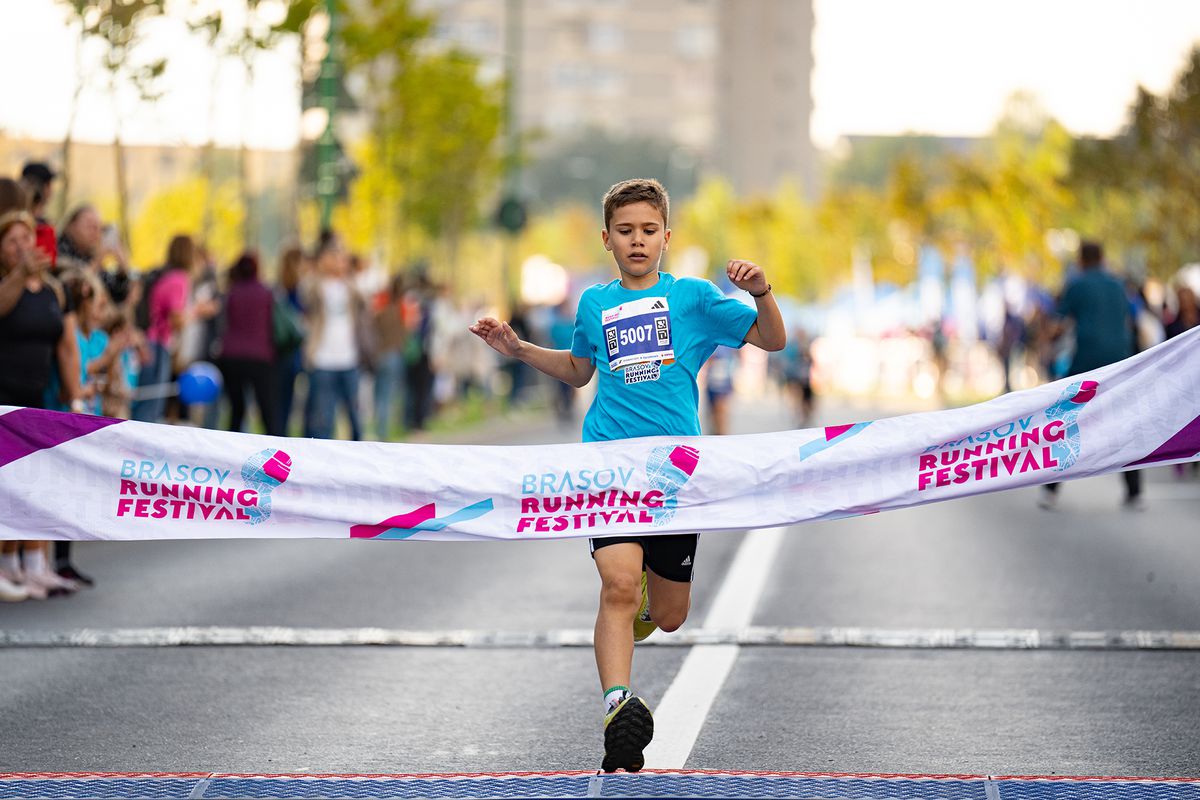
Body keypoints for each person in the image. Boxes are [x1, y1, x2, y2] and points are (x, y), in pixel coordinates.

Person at [469, 178, 785, 773]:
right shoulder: (593, 303)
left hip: (673, 474)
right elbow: (579, 370)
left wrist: (762, 292)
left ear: (666, 237)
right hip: (608, 464)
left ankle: (645, 594)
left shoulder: (692, 299)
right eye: (625, 231)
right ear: (607, 239)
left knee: (669, 616)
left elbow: (772, 339)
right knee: (615, 584)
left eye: (647, 231)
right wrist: (518, 350)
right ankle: (618, 708)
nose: (637, 241)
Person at [0, 207, 81, 600]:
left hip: (38, 395)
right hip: (3, 397)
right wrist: (18, 275)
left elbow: (64, 346)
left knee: (32, 481)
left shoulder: (52, 290)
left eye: (26, 239)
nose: (21, 247)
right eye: (11, 241)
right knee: (7, 484)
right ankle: (7, 566)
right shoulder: (6, 283)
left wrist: (74, 392)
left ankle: (32, 565)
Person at [1039, 241, 1142, 510]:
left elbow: (1058, 324)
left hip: (1087, 360)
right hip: (1119, 359)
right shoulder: (1118, 285)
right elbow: (1132, 321)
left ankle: (1050, 489)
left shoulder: (1077, 284)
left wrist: (1048, 342)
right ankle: (1135, 491)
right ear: (1103, 258)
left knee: (1066, 420)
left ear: (1081, 260)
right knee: (1123, 423)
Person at [216, 251, 282, 436]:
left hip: (232, 356)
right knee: (267, 410)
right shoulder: (266, 293)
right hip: (260, 356)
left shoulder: (231, 293)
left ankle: (232, 453)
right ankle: (274, 450)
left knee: (237, 410)